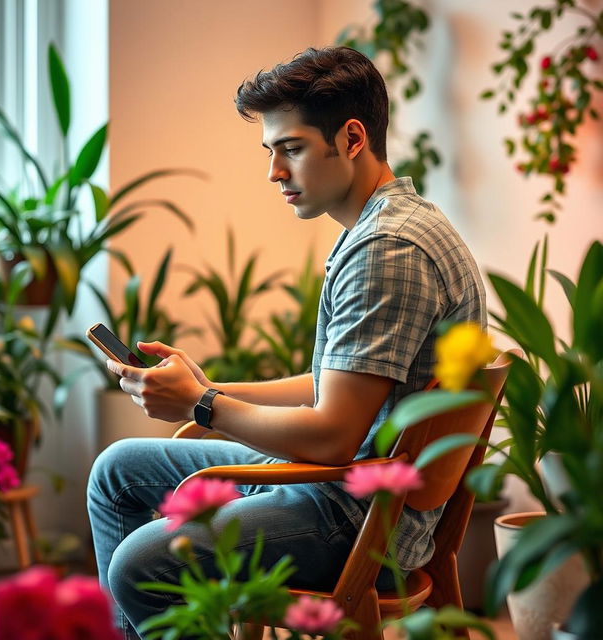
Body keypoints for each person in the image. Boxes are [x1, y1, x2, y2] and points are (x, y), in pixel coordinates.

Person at [87, 46, 486, 639]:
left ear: (352, 138)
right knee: (117, 471)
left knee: (144, 563)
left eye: (291, 149)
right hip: (343, 482)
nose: (275, 172)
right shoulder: (386, 227)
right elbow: (339, 384)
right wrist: (209, 387)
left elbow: (333, 434)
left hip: (355, 513)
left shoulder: (389, 250)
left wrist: (202, 407)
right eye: (271, 152)